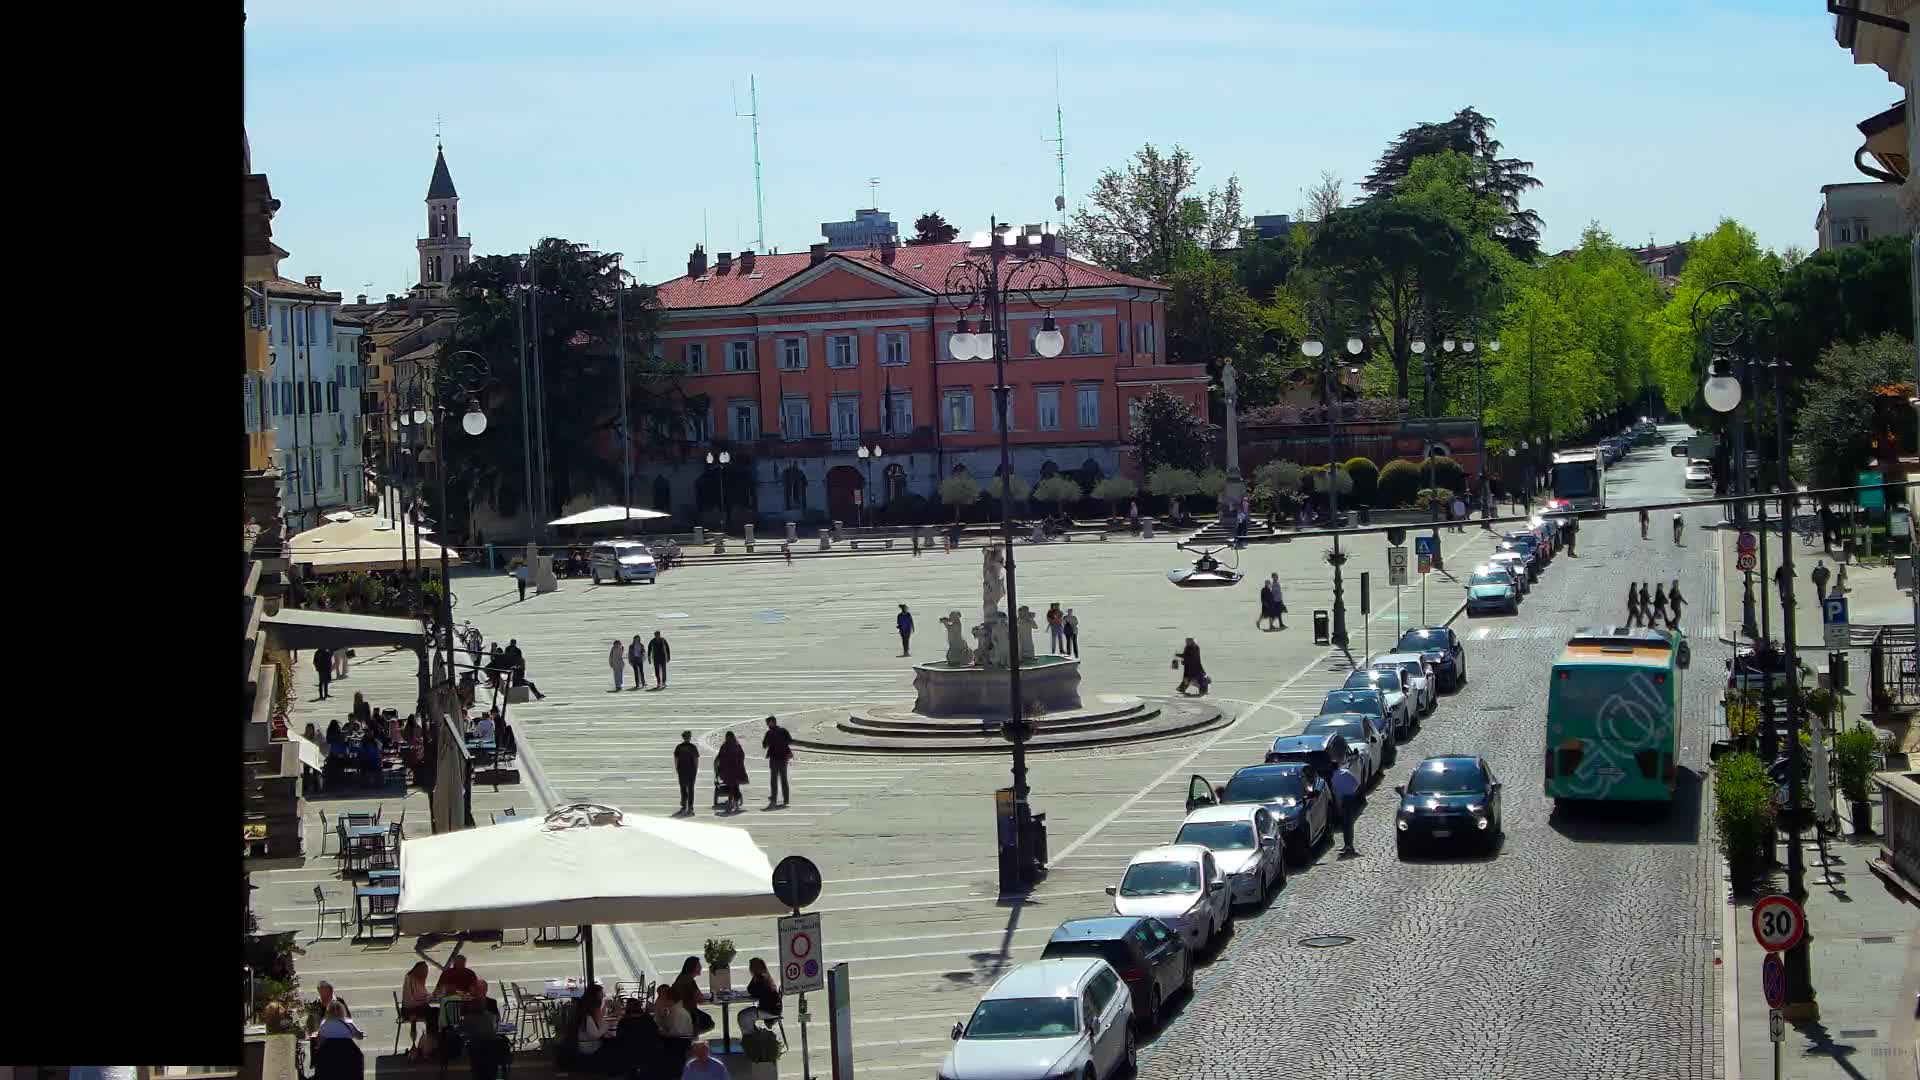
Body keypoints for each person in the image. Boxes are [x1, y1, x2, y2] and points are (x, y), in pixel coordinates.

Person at [672, 957, 714, 1034]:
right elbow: (699, 998)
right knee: (708, 1023)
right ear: (693, 967)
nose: (701, 967)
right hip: (688, 1012)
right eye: (699, 966)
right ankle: (691, 1037)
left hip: (681, 1011)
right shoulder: (688, 980)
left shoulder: (683, 977)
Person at [1330, 757, 1361, 856]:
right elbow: (1356, 784)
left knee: (1346, 824)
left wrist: (1338, 806)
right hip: (1351, 799)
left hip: (1343, 801)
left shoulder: (1333, 778)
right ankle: (1348, 844)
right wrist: (1352, 792)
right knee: (1349, 824)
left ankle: (1349, 845)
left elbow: (1336, 794)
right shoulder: (1346, 773)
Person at [763, 715, 793, 808]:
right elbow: (790, 741)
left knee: (774, 780)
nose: (767, 725)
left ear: (772, 722)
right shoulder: (783, 731)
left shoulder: (769, 733)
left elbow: (764, 745)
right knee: (783, 779)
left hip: (775, 758)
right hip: (783, 758)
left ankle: (774, 799)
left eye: (768, 723)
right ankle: (786, 799)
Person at [716, 732, 748, 813]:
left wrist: (719, 770)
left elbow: (720, 757)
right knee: (736, 787)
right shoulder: (737, 746)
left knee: (730, 787)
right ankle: (736, 803)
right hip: (737, 769)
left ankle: (730, 803)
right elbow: (742, 756)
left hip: (727, 770)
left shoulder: (724, 746)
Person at [674, 730, 700, 815]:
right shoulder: (693, 747)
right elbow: (696, 759)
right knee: (691, 789)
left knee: (683, 788)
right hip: (691, 771)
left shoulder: (679, 747)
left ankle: (684, 805)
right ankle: (690, 807)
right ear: (689, 737)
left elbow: (676, 759)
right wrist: (696, 769)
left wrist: (677, 768)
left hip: (682, 770)